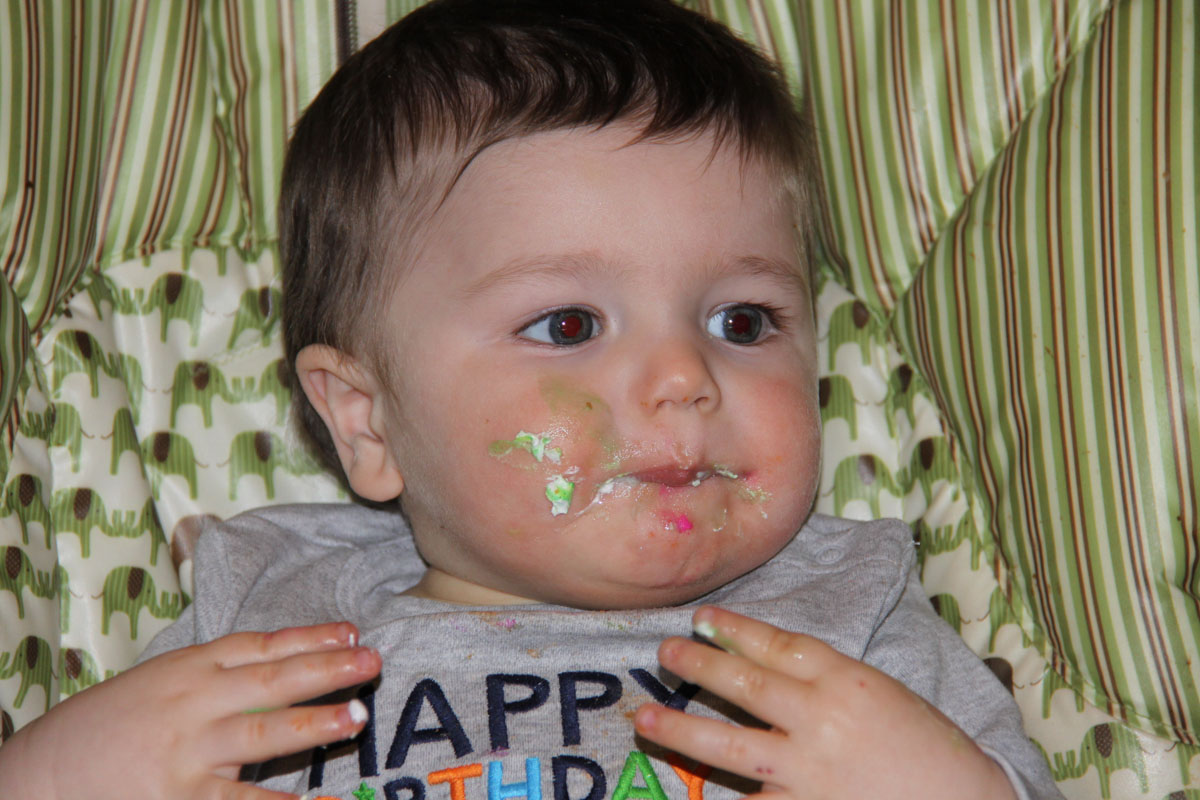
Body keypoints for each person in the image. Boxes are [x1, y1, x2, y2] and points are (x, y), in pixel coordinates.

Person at [0, 1, 1063, 798]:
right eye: (569, 325)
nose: (685, 378)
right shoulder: (271, 612)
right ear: (365, 420)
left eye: (742, 321)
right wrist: (52, 776)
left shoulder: (846, 617)